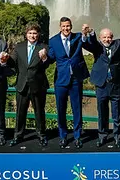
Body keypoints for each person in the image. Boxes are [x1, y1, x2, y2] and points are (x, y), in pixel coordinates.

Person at [46, 17, 99, 149]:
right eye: (63, 26)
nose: (66, 28)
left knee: (77, 109)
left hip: (76, 78)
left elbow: (92, 46)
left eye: (68, 26)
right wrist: (43, 57)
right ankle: (63, 136)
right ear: (60, 27)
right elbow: (51, 59)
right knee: (61, 109)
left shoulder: (78, 37)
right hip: (61, 80)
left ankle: (77, 136)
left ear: (71, 26)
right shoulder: (53, 41)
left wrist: (90, 33)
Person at [6, 23, 51, 147]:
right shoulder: (19, 47)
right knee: (20, 112)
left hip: (38, 84)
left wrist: (44, 58)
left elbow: (48, 64)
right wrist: (5, 59)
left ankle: (41, 135)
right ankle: (18, 135)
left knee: (39, 112)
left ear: (38, 35)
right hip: (22, 84)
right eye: (30, 33)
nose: (32, 35)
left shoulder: (44, 47)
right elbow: (12, 62)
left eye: (35, 33)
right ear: (26, 34)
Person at [89, 28, 120, 148]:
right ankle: (102, 136)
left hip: (115, 84)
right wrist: (91, 33)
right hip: (101, 84)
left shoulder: (117, 44)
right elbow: (90, 42)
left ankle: (117, 137)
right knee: (102, 112)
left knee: (117, 113)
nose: (107, 39)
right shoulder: (97, 47)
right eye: (104, 37)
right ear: (100, 38)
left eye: (109, 37)